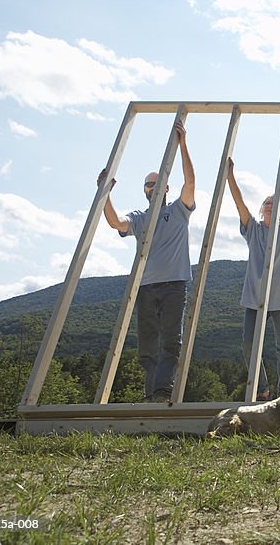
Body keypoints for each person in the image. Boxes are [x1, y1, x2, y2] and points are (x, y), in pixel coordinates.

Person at [97, 118, 195, 403]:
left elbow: (190, 182)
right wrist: (104, 192)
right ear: (145, 190)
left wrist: (183, 145)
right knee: (148, 346)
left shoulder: (178, 211)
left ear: (165, 188)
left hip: (175, 285)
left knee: (171, 342)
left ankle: (163, 393)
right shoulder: (140, 219)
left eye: (157, 183)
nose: (152, 187)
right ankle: (151, 394)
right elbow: (116, 222)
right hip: (146, 286)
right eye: (148, 185)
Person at [226, 158, 280, 401]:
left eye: (274, 202)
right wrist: (229, 177)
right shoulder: (253, 230)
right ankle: (262, 390)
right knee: (249, 345)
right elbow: (239, 204)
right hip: (255, 299)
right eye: (267, 202)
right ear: (262, 208)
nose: (270, 205)